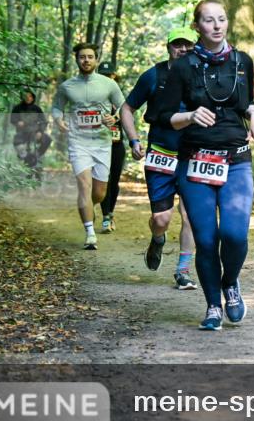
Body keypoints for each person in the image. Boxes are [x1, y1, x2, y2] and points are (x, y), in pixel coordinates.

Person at [156, 0, 254, 330]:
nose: (216, 25)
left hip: (235, 160)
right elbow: (160, 116)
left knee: (234, 235)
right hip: (195, 163)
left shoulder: (241, 61)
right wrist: (189, 116)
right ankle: (212, 306)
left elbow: (246, 101)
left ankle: (230, 282)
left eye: (221, 19)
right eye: (208, 20)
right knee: (206, 240)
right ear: (196, 26)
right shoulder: (182, 67)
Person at [120, 27, 199, 290]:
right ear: (169, 47)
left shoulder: (202, 75)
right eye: (178, 45)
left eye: (188, 45)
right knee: (161, 220)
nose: (184, 50)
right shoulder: (154, 76)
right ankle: (158, 238)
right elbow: (127, 108)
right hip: (161, 155)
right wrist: (133, 140)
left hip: (192, 155)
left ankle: (183, 271)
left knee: (190, 215)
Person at [51, 43, 125, 250]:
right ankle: (90, 233)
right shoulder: (67, 86)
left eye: (90, 57)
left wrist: (115, 116)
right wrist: (59, 121)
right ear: (76, 59)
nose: (86, 60)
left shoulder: (108, 84)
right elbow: (57, 108)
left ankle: (88, 206)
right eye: (82, 57)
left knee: (99, 193)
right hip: (78, 141)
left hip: (102, 141)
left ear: (96, 60)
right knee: (84, 185)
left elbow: (122, 105)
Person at [97, 62, 125, 234]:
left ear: (114, 76)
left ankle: (110, 213)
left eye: (110, 75)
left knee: (114, 180)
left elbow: (128, 113)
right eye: (104, 75)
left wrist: (116, 117)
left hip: (116, 144)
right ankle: (105, 216)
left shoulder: (119, 96)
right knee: (101, 180)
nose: (107, 78)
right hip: (98, 144)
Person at [10, 90, 52, 172]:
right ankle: (24, 156)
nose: (28, 98)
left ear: (33, 98)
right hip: (22, 132)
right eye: (26, 96)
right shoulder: (17, 108)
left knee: (47, 139)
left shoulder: (37, 109)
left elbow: (43, 121)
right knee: (17, 141)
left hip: (35, 132)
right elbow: (12, 120)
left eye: (30, 96)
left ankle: (38, 155)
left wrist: (40, 131)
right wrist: (18, 122)